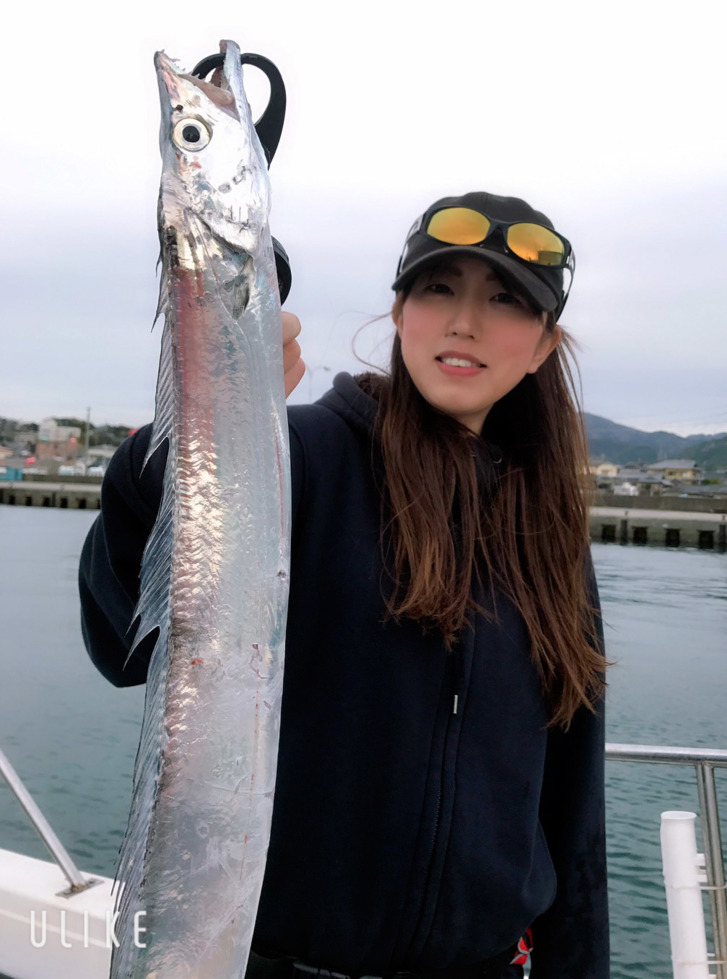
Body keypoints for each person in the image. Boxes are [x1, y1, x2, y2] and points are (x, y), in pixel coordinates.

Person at [79, 191, 609, 979]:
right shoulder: (296, 460)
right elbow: (125, 636)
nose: (465, 321)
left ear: (541, 346)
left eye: (505, 300)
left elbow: (572, 805)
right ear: (400, 313)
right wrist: (203, 419)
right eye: (439, 289)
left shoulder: (550, 535)